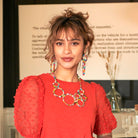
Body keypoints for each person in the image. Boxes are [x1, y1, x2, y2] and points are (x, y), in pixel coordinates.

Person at [14, 8, 117, 138]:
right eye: (60, 43)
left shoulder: (95, 93)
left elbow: (106, 135)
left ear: (85, 46)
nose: (66, 50)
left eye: (74, 43)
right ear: (53, 46)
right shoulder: (34, 86)